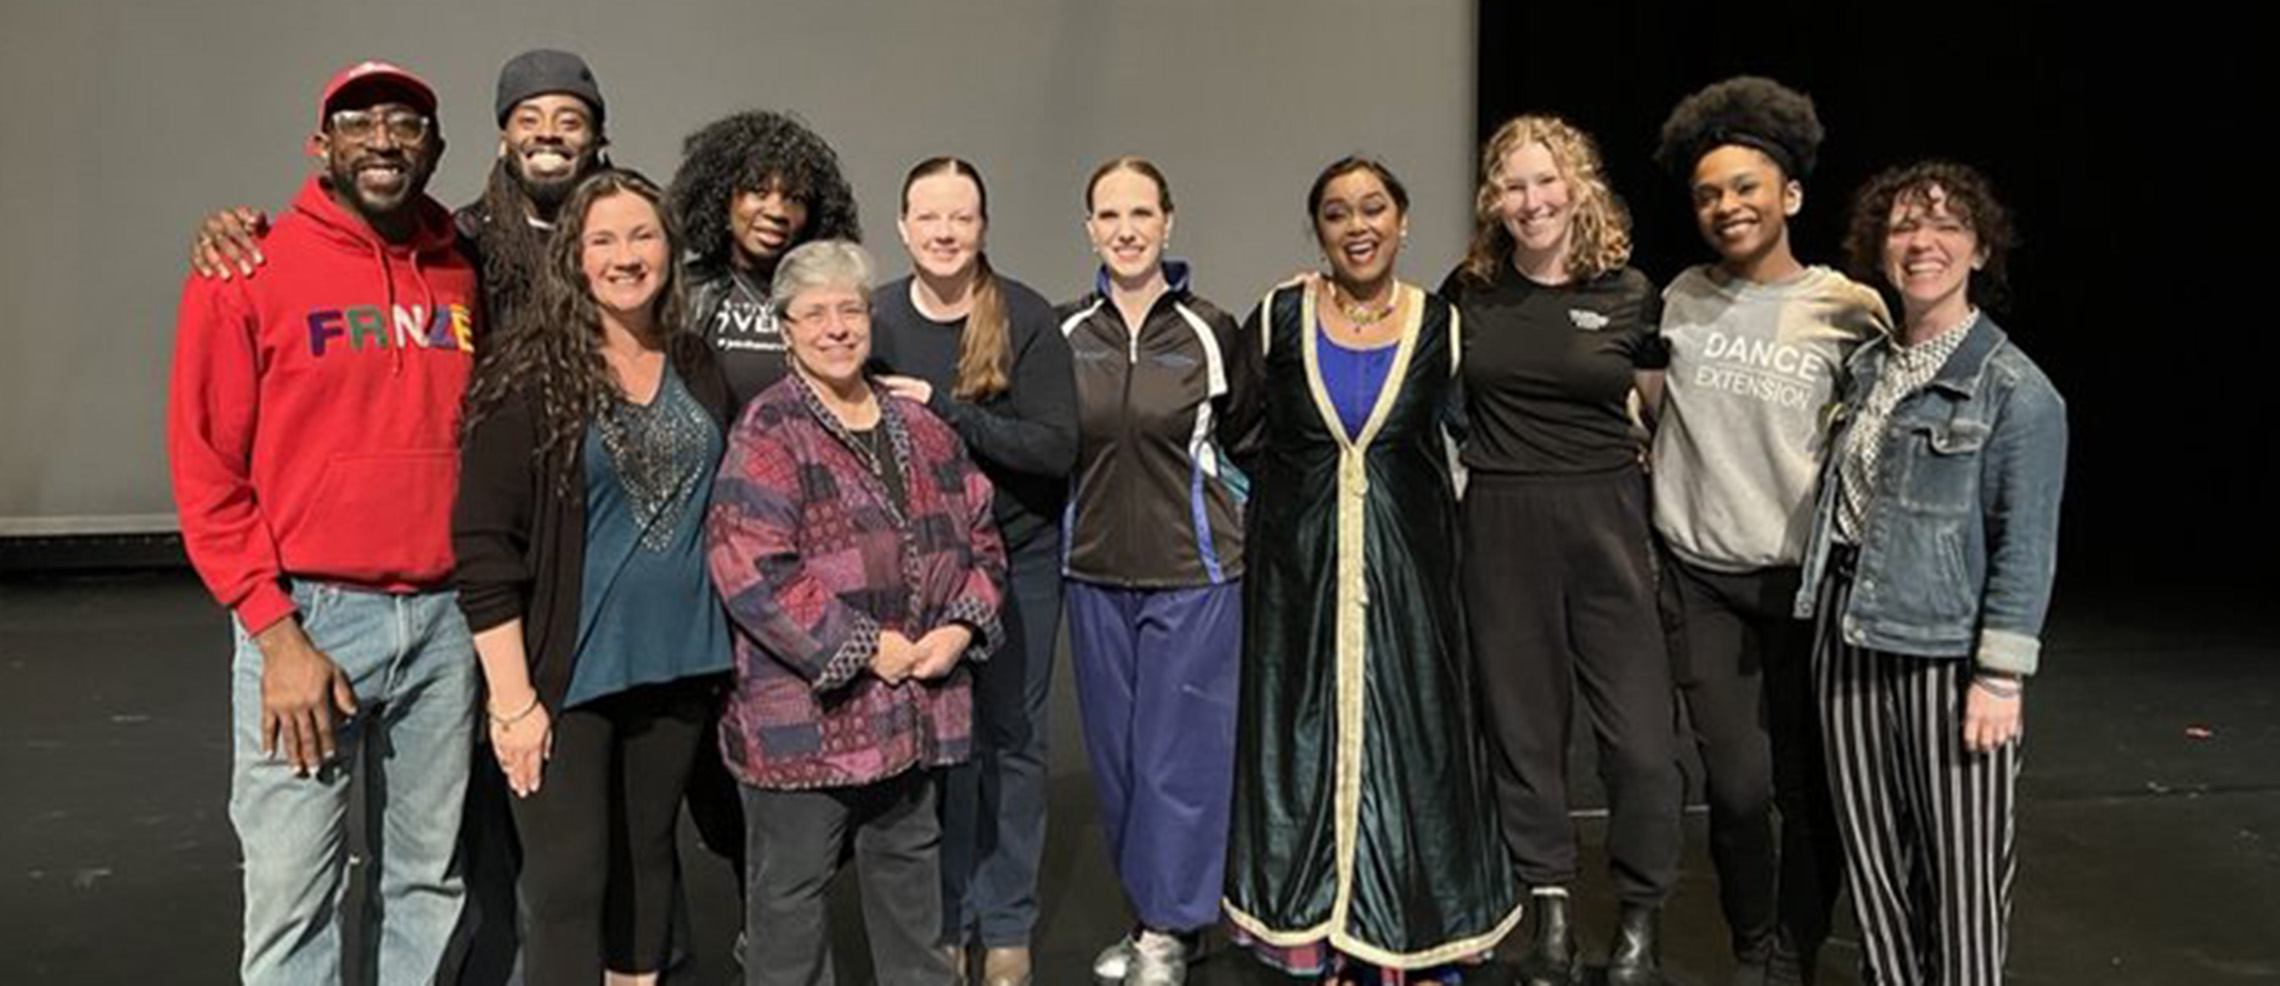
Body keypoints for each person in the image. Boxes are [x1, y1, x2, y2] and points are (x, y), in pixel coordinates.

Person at [168, 60, 479, 985]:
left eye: (405, 124)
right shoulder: (247, 270)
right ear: (321, 146)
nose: (383, 140)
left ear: (434, 148)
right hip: (310, 623)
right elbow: (207, 471)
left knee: (428, 884)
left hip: (445, 622)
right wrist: (276, 635)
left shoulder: (460, 268)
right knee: (293, 893)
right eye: (359, 122)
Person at [1221, 156, 1519, 985]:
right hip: (1300, 579)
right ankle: (1318, 935)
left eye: (1374, 208)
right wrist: (1291, 510)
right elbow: (1236, 430)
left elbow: (1468, 434)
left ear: (1403, 220)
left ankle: (1408, 936)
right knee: (1304, 741)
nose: (1358, 226)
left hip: (1411, 580)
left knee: (1413, 745)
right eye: (1338, 213)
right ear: (1318, 230)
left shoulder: (1441, 325)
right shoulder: (1279, 317)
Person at [451, 168, 735, 986]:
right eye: (602, 240)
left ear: (669, 249)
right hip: (564, 679)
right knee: (569, 886)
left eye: (642, 235)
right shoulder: (527, 374)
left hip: (680, 666)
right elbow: (483, 547)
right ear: (573, 258)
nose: (625, 256)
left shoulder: (694, 360)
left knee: (649, 866)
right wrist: (513, 704)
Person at [708, 239, 1008, 986]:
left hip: (910, 715)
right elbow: (750, 568)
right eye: (815, 314)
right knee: (788, 908)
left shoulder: (922, 428)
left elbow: (983, 537)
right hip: (803, 726)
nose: (837, 327)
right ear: (786, 329)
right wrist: (868, 647)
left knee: (912, 903)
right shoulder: (769, 431)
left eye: (850, 309)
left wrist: (959, 629)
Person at [1649, 76, 1891, 985]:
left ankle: (1795, 951)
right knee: (1739, 790)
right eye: (1708, 194)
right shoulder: (1680, 298)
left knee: (1810, 789)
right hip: (1702, 579)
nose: (1726, 206)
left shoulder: (1850, 308)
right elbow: (1649, 411)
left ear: (1789, 194)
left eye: (1744, 187)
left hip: (1807, 587)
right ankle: (1753, 944)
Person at [1798, 160, 2064, 986]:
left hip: (1945, 650)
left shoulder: (2015, 390)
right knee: (1873, 862)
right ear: (1879, 248)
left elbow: (2026, 544)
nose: (1923, 242)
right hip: (1845, 629)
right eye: (1905, 226)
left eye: (1947, 226)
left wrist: (2000, 675)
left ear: (1980, 249)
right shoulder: (1867, 368)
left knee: (1963, 872)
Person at [1440, 115, 1683, 986]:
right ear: (1493, 200)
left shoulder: (1631, 292)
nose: (1531, 200)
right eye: (1513, 185)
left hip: (1605, 519)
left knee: (1642, 743)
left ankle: (1640, 914)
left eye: (1546, 180)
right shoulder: (1470, 290)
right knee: (1525, 732)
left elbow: (1661, 414)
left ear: (1578, 186)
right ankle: (1549, 912)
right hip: (1502, 521)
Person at [868, 156, 1078, 986]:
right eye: (929, 216)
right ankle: (949, 919)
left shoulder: (1024, 316)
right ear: (902, 226)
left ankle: (1008, 922)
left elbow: (1054, 448)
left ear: (983, 226)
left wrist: (944, 411)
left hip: (1020, 558)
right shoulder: (878, 317)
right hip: (920, 574)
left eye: (961, 217)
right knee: (944, 752)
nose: (945, 232)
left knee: (1013, 741)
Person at [1056, 156, 1245, 986]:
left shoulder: (1212, 329)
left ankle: (1171, 927)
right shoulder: (1065, 333)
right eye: (1110, 215)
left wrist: (1233, 523)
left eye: (1141, 213)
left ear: (1169, 222)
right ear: (1089, 229)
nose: (1126, 230)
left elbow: (1253, 441)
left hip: (1193, 575)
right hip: (1094, 571)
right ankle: (1148, 918)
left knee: (1179, 760)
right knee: (1120, 762)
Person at [666, 109, 863, 402]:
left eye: (794, 198)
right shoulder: (683, 293)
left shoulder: (831, 296)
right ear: (721, 199)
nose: (777, 211)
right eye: (758, 192)